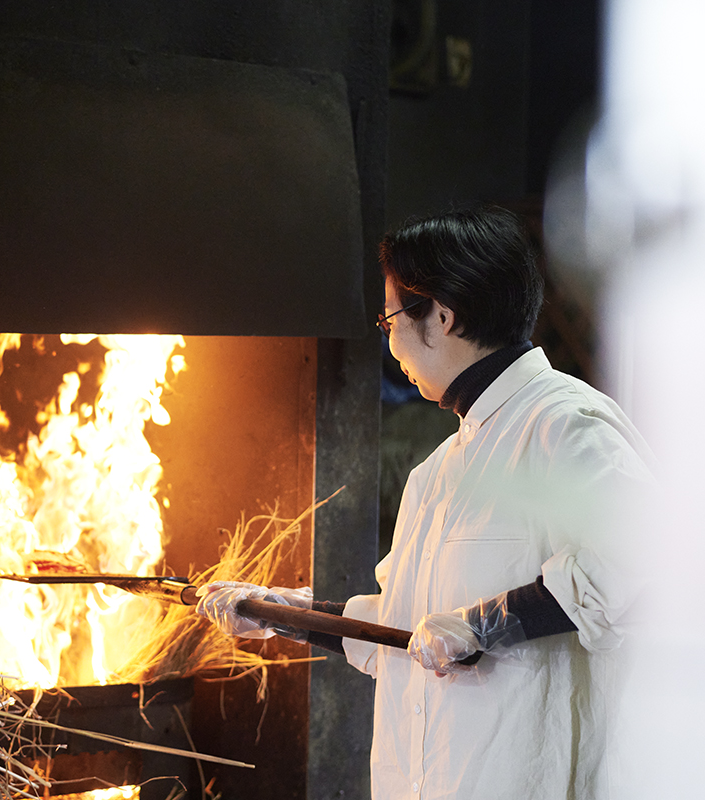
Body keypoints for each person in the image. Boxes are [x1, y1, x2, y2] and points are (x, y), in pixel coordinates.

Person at [197, 204, 655, 799]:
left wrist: (490, 624)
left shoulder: (564, 423)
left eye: (389, 323)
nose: (392, 348)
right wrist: (283, 613)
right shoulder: (438, 472)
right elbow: (404, 629)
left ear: (440, 316)